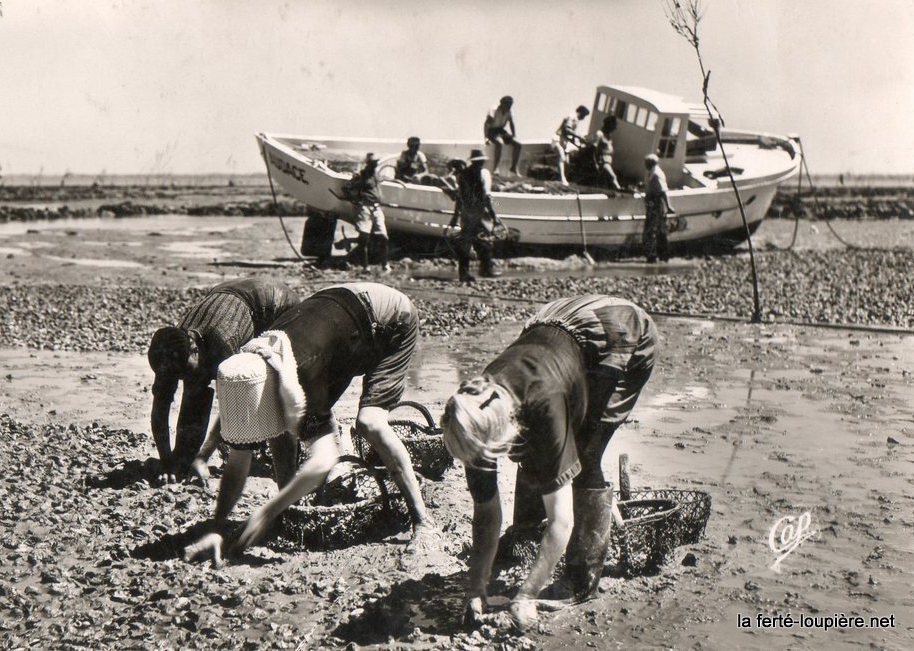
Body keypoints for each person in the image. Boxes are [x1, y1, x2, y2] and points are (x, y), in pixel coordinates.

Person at [441, 294, 658, 632]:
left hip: (619, 335)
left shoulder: (544, 404)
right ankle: (528, 539)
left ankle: (582, 579)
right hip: (558, 327)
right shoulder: (471, 407)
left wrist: (526, 595)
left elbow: (562, 521)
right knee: (537, 455)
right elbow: (485, 513)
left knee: (584, 456)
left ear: (504, 427)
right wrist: (476, 587)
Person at [185, 282, 438, 565]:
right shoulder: (251, 362)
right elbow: (239, 454)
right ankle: (283, 513)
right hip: (337, 313)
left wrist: (266, 512)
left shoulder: (301, 374)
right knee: (279, 427)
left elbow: (322, 461)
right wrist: (219, 527)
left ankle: (423, 522)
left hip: (388, 318)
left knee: (370, 423)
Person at [147, 279, 300, 482]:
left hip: (275, 305)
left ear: (194, 348)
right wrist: (167, 461)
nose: (184, 379)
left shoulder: (223, 341)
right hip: (231, 294)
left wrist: (202, 457)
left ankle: (289, 463)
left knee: (270, 387)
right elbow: (160, 406)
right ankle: (184, 459)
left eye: (186, 371)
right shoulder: (170, 349)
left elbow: (235, 404)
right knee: (196, 385)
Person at [445, 149, 502, 282]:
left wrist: (456, 216)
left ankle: (464, 273)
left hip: (467, 213)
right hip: (480, 212)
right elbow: (486, 197)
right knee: (485, 241)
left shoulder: (463, 175)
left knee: (466, 242)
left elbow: (460, 197)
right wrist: (494, 216)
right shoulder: (482, 174)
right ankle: (485, 269)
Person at [342, 153, 389, 272]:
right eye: (373, 163)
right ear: (368, 163)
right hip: (364, 208)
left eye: (376, 162)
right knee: (364, 238)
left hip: (376, 208)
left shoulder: (376, 175)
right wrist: (355, 200)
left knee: (383, 237)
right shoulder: (362, 175)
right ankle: (365, 266)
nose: (375, 165)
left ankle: (385, 265)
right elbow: (346, 187)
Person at [642, 154, 675, 263]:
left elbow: (663, 191)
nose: (645, 165)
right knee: (658, 229)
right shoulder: (653, 172)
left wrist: (669, 206)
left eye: (646, 163)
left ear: (650, 163)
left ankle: (654, 255)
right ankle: (662, 255)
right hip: (653, 202)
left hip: (656, 204)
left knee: (653, 230)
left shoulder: (656, 173)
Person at [484, 96, 522, 177]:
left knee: (518, 144)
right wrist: (486, 137)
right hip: (492, 131)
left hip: (501, 130)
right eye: (507, 105)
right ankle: (495, 168)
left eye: (510, 105)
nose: (509, 107)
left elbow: (511, 123)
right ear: (502, 104)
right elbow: (486, 124)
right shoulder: (494, 110)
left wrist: (514, 135)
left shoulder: (509, 110)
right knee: (499, 143)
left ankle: (513, 168)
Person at [552, 105, 590, 183]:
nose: (584, 118)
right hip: (558, 139)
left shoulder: (576, 120)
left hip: (564, 142)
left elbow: (570, 136)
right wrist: (579, 137)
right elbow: (566, 129)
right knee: (562, 157)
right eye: (584, 115)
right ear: (581, 112)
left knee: (567, 163)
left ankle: (559, 179)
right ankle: (562, 179)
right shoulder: (572, 116)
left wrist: (579, 145)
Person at [590, 115, 621, 190]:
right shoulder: (599, 134)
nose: (615, 128)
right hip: (602, 162)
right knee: (613, 176)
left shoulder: (608, 136)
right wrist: (595, 164)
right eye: (614, 126)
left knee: (605, 182)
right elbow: (592, 150)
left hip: (608, 162)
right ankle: (620, 190)